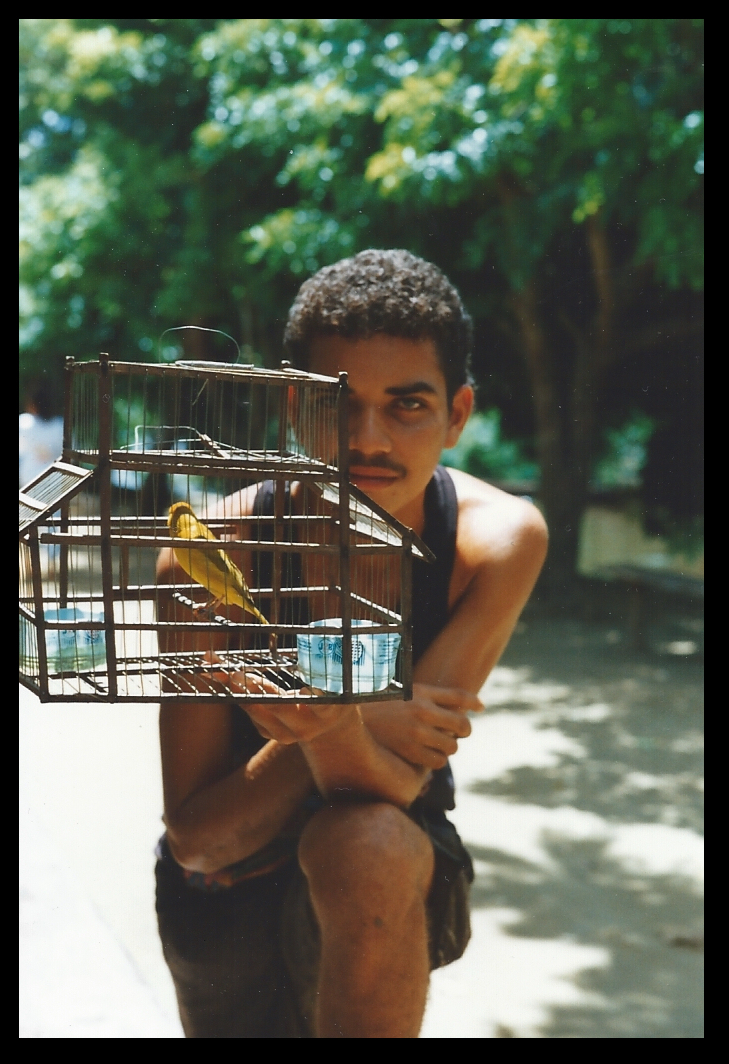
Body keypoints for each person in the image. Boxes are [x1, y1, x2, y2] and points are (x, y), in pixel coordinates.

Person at [154, 249, 547, 1038]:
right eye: (339, 403)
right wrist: (363, 712)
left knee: (362, 837)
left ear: (457, 414)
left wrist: (330, 718)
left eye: (407, 405)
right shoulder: (210, 550)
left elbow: (397, 785)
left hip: (387, 861)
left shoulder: (493, 539)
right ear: (296, 406)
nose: (369, 439)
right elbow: (198, 839)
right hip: (225, 885)